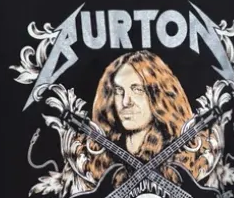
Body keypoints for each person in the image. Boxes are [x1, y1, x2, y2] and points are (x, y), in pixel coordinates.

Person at [86, 49, 210, 184]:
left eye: (137, 90)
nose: (125, 102)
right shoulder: (104, 154)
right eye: (119, 91)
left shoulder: (178, 155)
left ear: (158, 96)